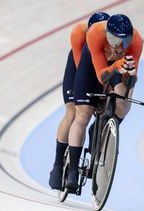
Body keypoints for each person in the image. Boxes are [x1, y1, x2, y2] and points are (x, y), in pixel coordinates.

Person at [62, 14, 143, 191]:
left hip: (116, 68)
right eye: (115, 40)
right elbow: (100, 76)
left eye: (126, 40)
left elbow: (131, 83)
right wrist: (116, 66)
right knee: (82, 116)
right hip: (93, 68)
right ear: (107, 34)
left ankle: (105, 129)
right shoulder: (95, 33)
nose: (121, 46)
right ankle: (73, 170)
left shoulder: (136, 41)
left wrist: (130, 75)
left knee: (124, 101)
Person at [49, 12, 110, 190]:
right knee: (73, 112)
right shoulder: (79, 34)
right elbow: (80, 69)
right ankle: (58, 165)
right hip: (78, 69)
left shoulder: (105, 41)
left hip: (97, 68)